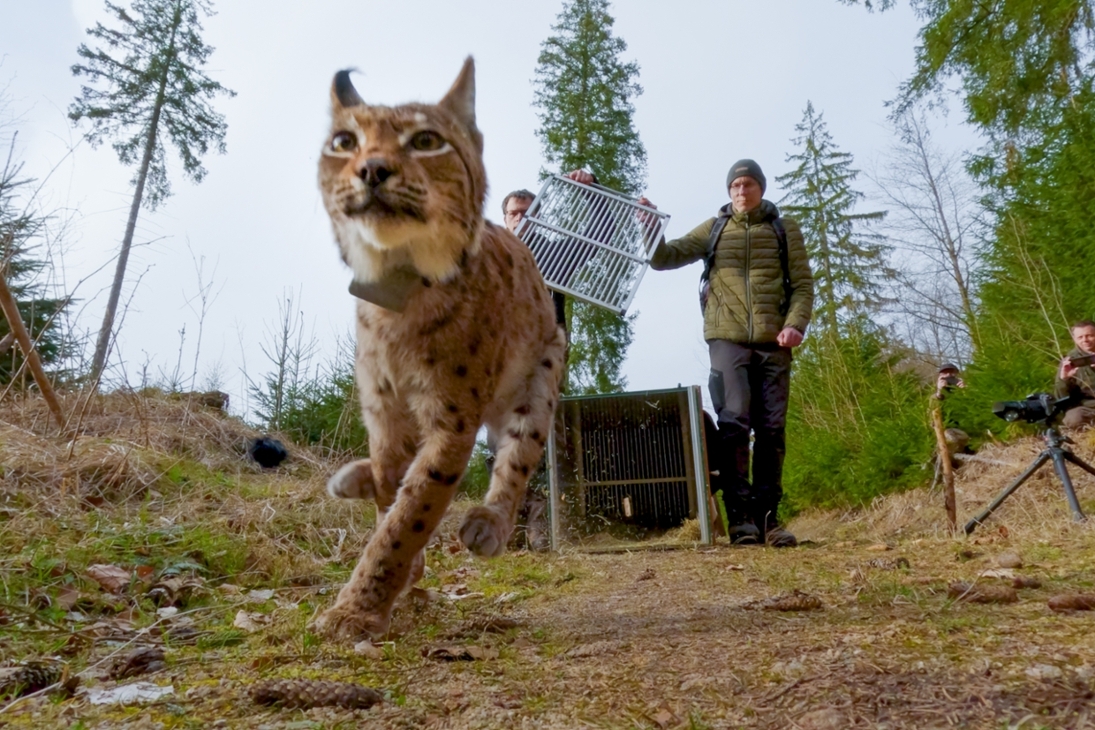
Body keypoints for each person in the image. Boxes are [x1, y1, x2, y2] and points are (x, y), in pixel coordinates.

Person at [640, 160, 814, 547]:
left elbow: (803, 285)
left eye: (748, 184)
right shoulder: (715, 228)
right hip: (726, 339)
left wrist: (795, 325)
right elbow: (664, 258)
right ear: (728, 191)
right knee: (734, 425)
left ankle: (769, 520)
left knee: (771, 431)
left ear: (761, 188)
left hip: (775, 342)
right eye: (735, 185)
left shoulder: (784, 229)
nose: (741, 191)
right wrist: (651, 228)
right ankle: (740, 521)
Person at [502, 169, 597, 331]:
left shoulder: (555, 254)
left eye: (526, 213)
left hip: (541, 343)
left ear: (537, 217)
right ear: (505, 219)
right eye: (513, 213)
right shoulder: (487, 252)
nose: (519, 218)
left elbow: (599, 235)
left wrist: (592, 189)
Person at [1056, 320, 1095, 429]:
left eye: (1089, 336)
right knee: (1074, 419)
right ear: (1074, 339)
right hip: (1089, 407)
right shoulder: (1070, 361)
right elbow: (1061, 398)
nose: (1085, 340)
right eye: (1080, 337)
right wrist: (1064, 379)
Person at [933, 362, 970, 460]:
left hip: (965, 427)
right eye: (945, 374)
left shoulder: (962, 392)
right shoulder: (936, 396)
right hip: (947, 429)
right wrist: (939, 391)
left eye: (951, 374)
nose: (949, 376)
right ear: (940, 377)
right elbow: (934, 411)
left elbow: (973, 406)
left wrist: (965, 391)